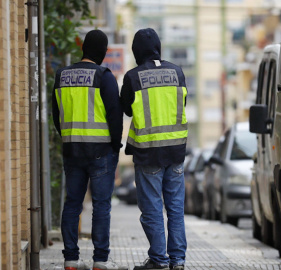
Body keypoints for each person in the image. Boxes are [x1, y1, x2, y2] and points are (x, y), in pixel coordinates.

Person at [52, 29, 127, 270]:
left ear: (84, 48)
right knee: (101, 205)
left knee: (72, 204)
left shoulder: (61, 75)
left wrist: (68, 136)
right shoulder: (103, 76)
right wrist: (116, 145)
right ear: (102, 52)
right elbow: (115, 116)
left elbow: (56, 115)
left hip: (72, 149)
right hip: (100, 151)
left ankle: (71, 259)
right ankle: (100, 261)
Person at [120, 28, 188, 270]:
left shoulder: (133, 77)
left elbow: (126, 110)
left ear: (136, 51)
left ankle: (159, 260)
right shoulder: (178, 72)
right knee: (176, 210)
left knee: (152, 211)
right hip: (176, 152)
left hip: (149, 154)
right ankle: (178, 261)